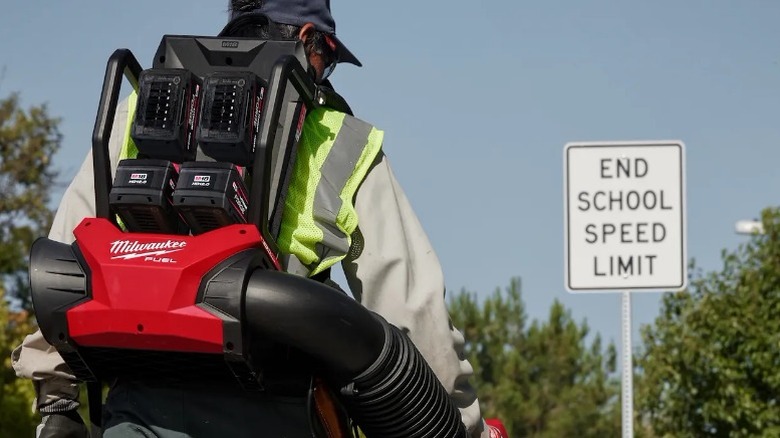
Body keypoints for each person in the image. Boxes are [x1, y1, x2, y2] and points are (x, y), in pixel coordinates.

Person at [13, 1, 491, 437]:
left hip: (137, 408)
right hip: (277, 410)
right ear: (307, 39)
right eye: (327, 57)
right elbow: (412, 310)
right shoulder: (339, 139)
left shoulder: (140, 107)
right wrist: (462, 426)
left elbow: (69, 254)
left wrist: (56, 402)